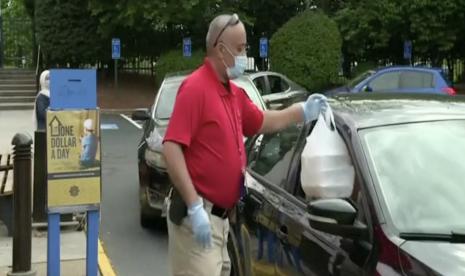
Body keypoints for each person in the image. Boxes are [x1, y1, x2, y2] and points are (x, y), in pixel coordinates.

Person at [162, 13, 328, 276]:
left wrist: (302, 111)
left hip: (222, 221)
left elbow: (263, 121)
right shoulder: (195, 89)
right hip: (198, 220)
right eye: (240, 48)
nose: (245, 54)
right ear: (220, 49)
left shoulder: (232, 92)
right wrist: (194, 206)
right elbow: (171, 148)